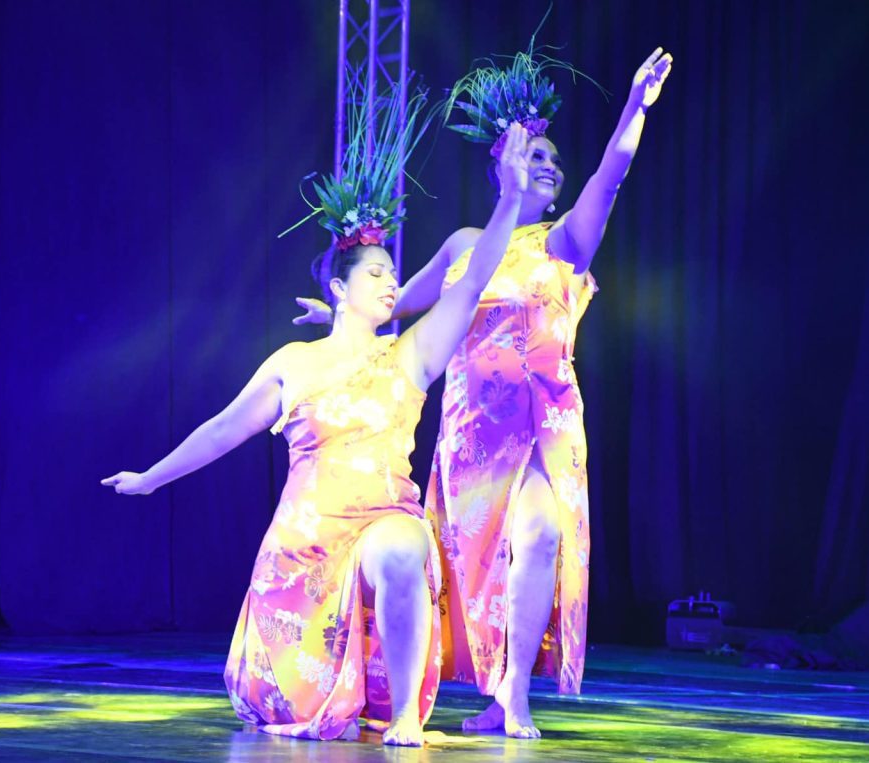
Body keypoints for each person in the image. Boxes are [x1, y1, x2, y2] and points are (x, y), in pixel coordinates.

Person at [101, 118, 532, 746]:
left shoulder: (409, 355)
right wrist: (149, 479)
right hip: (305, 547)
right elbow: (221, 431)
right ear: (338, 287)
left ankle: (404, 714)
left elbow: (469, 284)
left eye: (392, 273)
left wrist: (511, 197)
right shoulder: (294, 363)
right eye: (376, 272)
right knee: (278, 703)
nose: (391, 282)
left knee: (401, 548)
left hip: (383, 517)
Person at [294, 47, 673, 738]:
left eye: (556, 161)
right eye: (538, 154)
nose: (552, 166)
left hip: (543, 424)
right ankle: (428, 689)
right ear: (505, 160)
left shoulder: (566, 241)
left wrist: (635, 107)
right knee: (474, 568)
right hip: (473, 433)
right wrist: (339, 313)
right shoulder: (466, 243)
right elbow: (402, 305)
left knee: (541, 532)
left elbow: (611, 175)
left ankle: (515, 694)